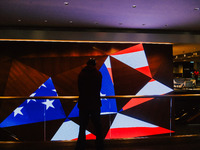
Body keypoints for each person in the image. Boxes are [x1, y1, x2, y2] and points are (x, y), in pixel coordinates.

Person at [75, 58, 104, 150]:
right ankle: (100, 145)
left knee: (82, 126)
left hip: (83, 104)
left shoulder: (81, 74)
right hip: (95, 103)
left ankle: (81, 145)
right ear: (94, 65)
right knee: (97, 126)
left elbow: (80, 88)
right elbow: (98, 88)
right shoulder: (98, 74)